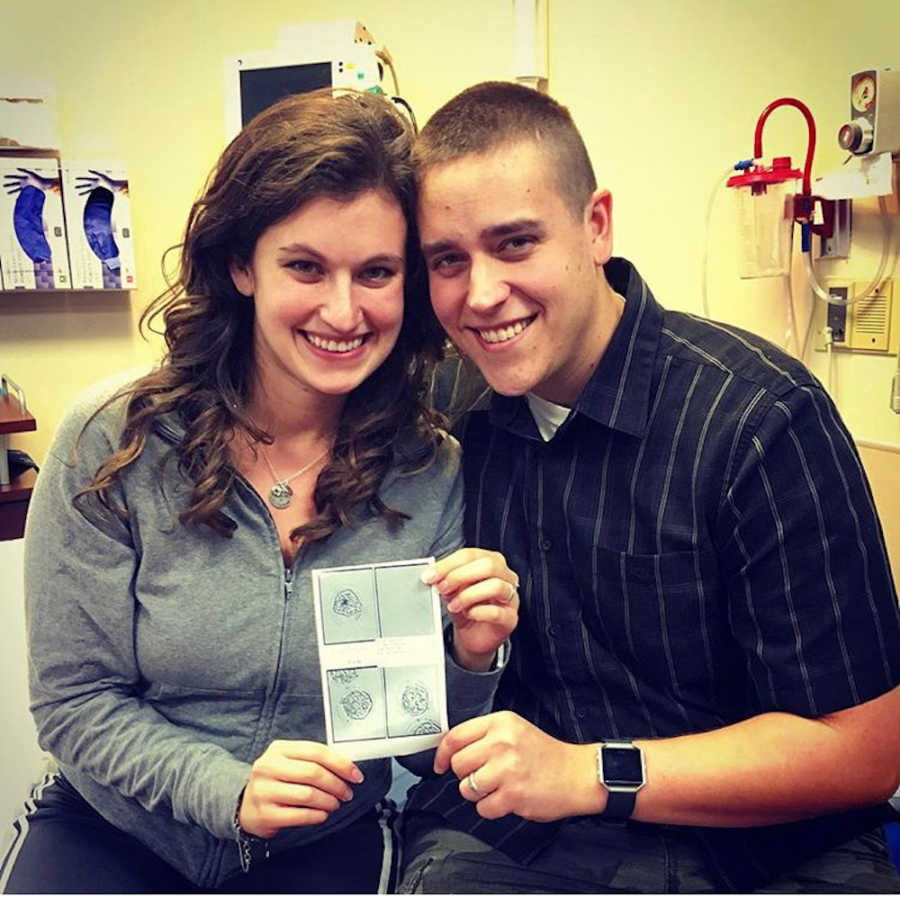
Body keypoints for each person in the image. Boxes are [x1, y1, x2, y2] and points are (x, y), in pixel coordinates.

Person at [2, 89, 520, 894]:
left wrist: (471, 653)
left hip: (319, 847)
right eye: (306, 266)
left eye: (376, 272)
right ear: (243, 264)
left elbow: (419, 745)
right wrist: (227, 789)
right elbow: (73, 704)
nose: (343, 311)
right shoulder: (114, 441)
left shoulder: (429, 469)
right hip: (118, 830)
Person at [397, 81, 900, 893]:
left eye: (516, 243)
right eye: (447, 260)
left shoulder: (762, 421)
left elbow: (865, 748)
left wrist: (590, 770)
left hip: (772, 852)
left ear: (595, 226)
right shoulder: (458, 421)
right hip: (530, 846)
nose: (479, 293)